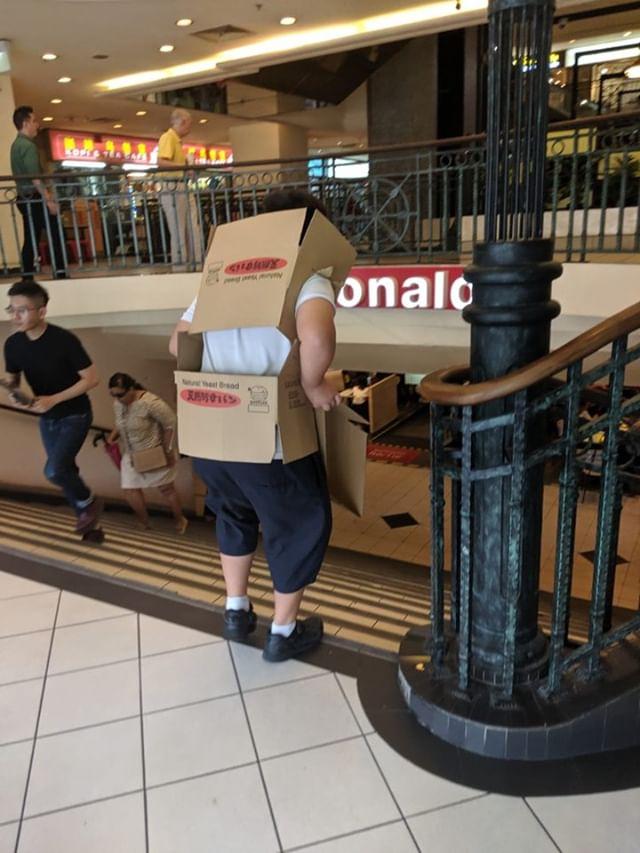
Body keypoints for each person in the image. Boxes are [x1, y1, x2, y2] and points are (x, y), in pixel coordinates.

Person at [169, 189, 343, 663]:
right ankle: (283, 632)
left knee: (234, 514)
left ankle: (236, 610)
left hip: (213, 436)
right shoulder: (308, 276)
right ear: (314, 234)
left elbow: (177, 343)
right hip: (269, 440)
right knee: (299, 524)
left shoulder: (221, 278)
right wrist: (312, 385)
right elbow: (316, 335)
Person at [3, 279, 101, 532]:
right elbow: (13, 381)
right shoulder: (12, 345)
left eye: (22, 310)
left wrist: (53, 399)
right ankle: (89, 524)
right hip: (47, 418)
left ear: (42, 311)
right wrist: (14, 393)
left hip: (76, 415)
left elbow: (91, 379)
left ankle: (89, 502)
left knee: (54, 471)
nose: (15, 316)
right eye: (11, 309)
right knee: (66, 470)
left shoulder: (64, 340)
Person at [106, 373, 188, 534]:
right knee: (130, 489)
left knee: (166, 489)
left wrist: (168, 451)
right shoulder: (118, 404)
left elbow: (170, 424)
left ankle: (180, 519)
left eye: (120, 395)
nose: (117, 398)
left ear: (131, 389)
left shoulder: (150, 402)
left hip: (154, 452)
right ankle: (144, 521)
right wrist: (112, 436)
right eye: (113, 395)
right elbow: (122, 422)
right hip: (131, 455)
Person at [10, 106, 68, 280]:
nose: (37, 124)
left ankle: (27, 276)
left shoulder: (16, 145)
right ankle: (60, 272)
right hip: (35, 198)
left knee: (31, 238)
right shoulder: (28, 146)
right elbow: (35, 178)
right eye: (34, 121)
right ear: (25, 123)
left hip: (24, 198)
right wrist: (49, 200)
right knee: (55, 233)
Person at [157, 108, 202, 271]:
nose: (189, 128)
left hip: (179, 186)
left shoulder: (175, 140)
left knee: (191, 227)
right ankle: (181, 267)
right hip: (173, 188)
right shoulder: (168, 137)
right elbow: (161, 162)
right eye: (189, 124)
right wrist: (184, 167)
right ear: (183, 122)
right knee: (179, 230)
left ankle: (195, 262)